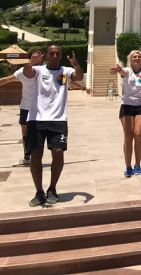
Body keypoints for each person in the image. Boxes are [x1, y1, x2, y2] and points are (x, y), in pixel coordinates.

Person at [23, 44, 84, 207]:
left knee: (58, 152)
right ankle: (39, 191)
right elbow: (27, 72)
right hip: (36, 119)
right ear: (46, 55)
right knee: (36, 154)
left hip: (58, 119)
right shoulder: (38, 70)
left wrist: (76, 65)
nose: (55, 56)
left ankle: (52, 188)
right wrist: (31, 63)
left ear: (61, 55)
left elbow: (78, 76)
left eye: (58, 53)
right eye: (52, 53)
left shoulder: (66, 71)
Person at [110, 50, 141, 178]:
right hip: (127, 105)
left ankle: (137, 164)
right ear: (130, 60)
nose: (137, 58)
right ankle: (128, 166)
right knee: (128, 135)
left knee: (138, 134)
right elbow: (122, 72)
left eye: (139, 57)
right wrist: (119, 70)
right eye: (134, 57)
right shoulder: (127, 71)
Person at [0, 51, 44, 167]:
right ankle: (27, 157)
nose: (35, 59)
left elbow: (64, 80)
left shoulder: (46, 71)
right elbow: (5, 80)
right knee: (25, 134)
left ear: (42, 58)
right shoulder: (21, 72)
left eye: (38, 57)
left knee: (39, 134)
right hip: (25, 107)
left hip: (40, 108)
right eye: (33, 57)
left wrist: (83, 87)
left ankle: (37, 156)